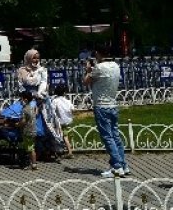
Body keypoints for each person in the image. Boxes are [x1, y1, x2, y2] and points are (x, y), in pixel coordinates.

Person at [84, 45, 127, 178]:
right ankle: (123, 164)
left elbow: (86, 81)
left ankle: (116, 166)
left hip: (101, 105)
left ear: (97, 53)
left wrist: (87, 70)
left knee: (107, 137)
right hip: (113, 104)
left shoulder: (99, 68)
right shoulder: (115, 65)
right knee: (115, 135)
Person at [16, 50, 64, 160]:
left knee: (47, 124)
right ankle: (32, 151)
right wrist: (28, 96)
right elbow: (20, 85)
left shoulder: (42, 70)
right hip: (27, 98)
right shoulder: (22, 71)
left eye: (37, 58)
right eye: (34, 58)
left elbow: (43, 82)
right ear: (28, 58)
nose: (36, 60)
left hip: (40, 99)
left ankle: (48, 150)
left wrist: (39, 94)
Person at [50, 85, 74, 159]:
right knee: (65, 136)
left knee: (58, 137)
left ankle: (60, 151)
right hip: (67, 121)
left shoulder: (55, 101)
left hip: (59, 122)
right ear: (64, 93)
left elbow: (52, 110)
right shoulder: (67, 101)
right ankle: (69, 151)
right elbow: (72, 108)